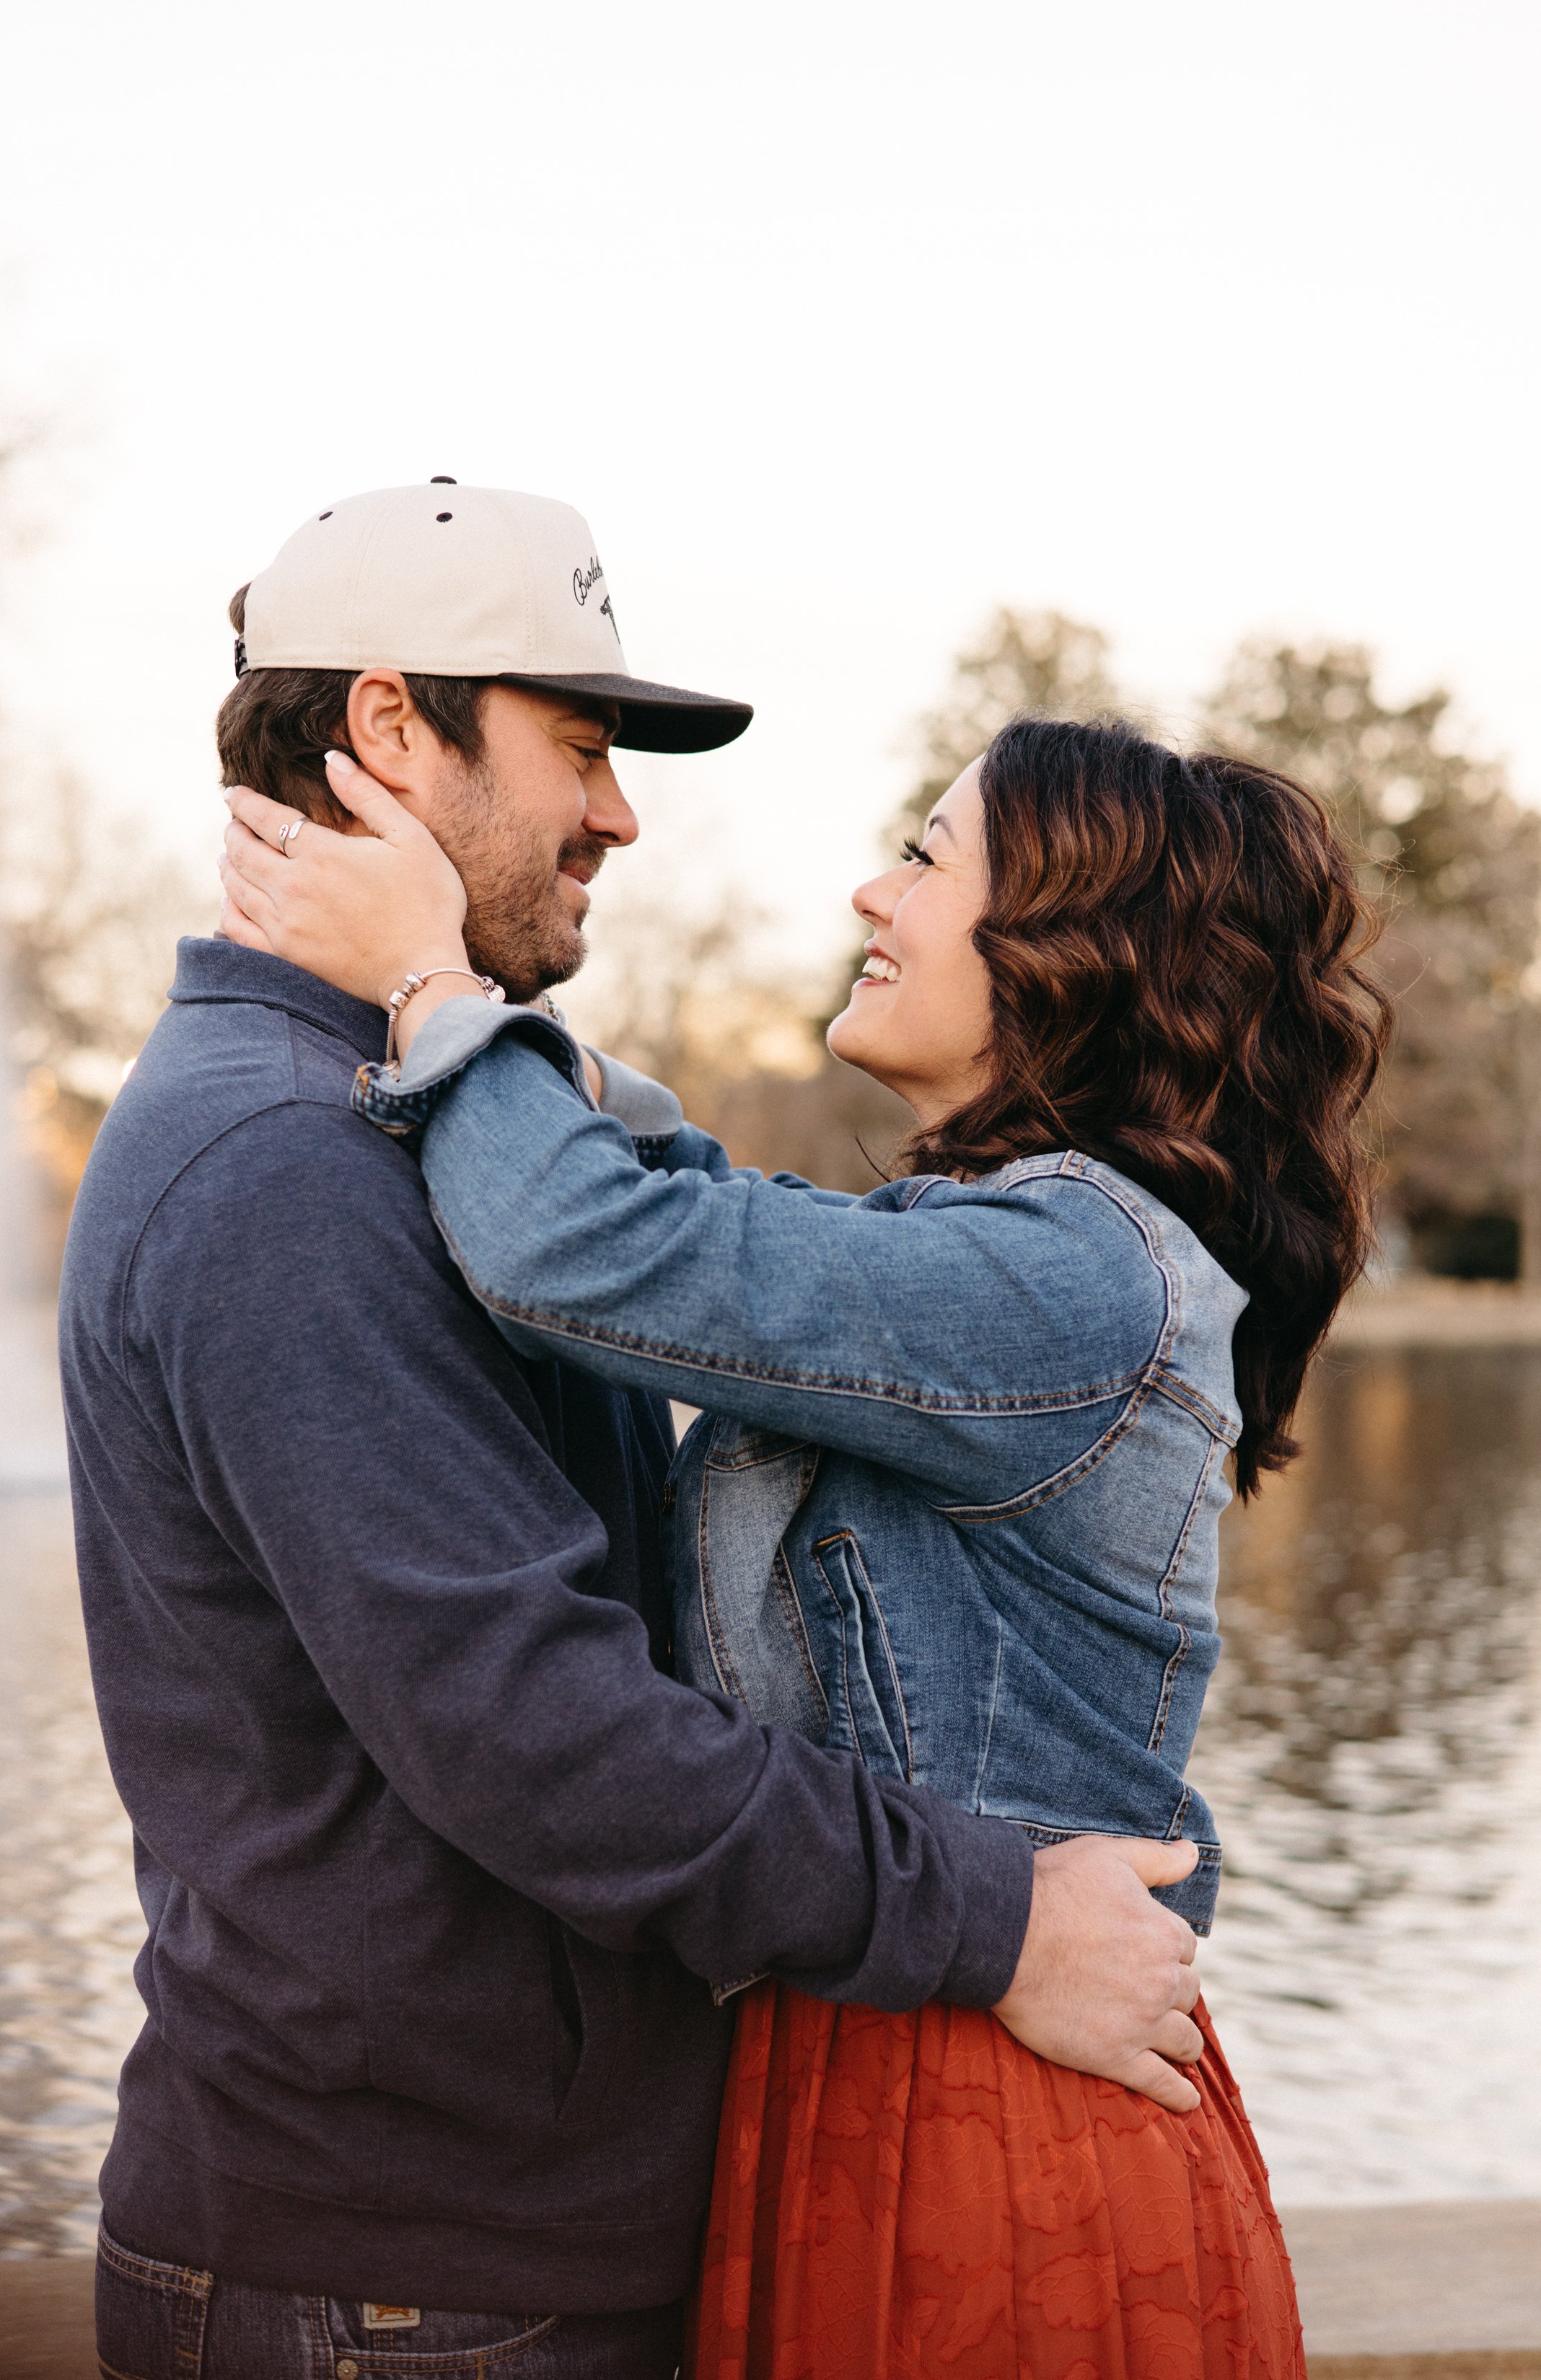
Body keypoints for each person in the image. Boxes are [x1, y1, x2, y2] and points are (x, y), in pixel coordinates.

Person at [63, 483, 1204, 2380]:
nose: (621, 810)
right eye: (579, 746)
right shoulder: (292, 1168)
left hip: (488, 2246)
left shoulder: (409, 1123)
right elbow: (548, 1738)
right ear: (388, 732)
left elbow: (699, 1256)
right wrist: (1000, 1918)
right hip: (403, 2283)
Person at [218, 705, 1389, 2378]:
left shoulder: (1068, 1278)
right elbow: (712, 1226)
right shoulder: (1000, 1250)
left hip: (999, 2122)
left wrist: (428, 983)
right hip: (883, 2070)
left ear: (1076, 949)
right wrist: (526, 1035)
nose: (866, 896)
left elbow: (582, 1249)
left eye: (924, 858)